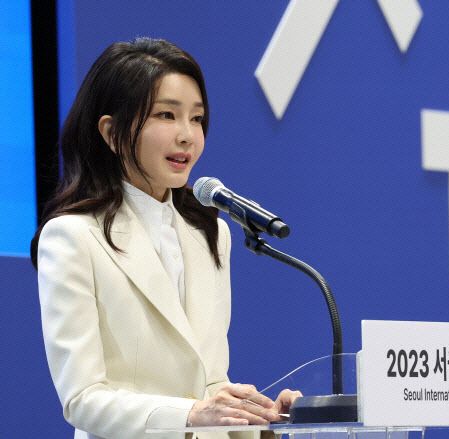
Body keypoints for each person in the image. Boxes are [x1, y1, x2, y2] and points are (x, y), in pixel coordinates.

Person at [31, 37, 299, 439]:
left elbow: (209, 384)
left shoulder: (212, 232)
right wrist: (192, 413)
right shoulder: (72, 237)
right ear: (111, 132)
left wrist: (263, 420)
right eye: (166, 115)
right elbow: (83, 399)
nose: (188, 135)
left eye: (197, 118)